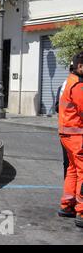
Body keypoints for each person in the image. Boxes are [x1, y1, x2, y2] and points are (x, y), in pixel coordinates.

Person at [58, 52, 83, 228]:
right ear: (80, 66)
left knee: (73, 169)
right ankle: (82, 211)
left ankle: (68, 205)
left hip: (66, 133)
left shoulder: (69, 81)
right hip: (77, 135)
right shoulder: (79, 85)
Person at [55, 64, 73, 180]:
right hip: (74, 132)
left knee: (68, 163)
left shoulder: (62, 87)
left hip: (65, 131)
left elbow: (57, 107)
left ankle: (69, 191)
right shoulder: (75, 87)